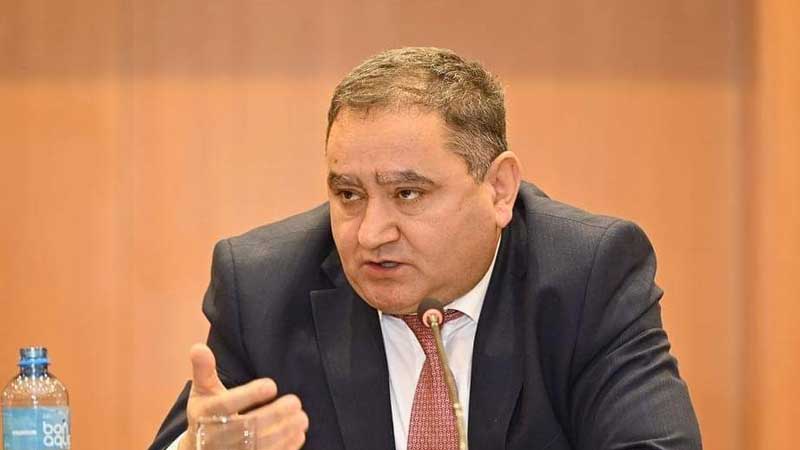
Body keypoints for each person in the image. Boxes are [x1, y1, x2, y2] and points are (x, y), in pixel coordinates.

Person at [149, 47, 702, 450]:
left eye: (408, 193)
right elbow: (204, 433)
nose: (371, 234)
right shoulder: (262, 288)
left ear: (499, 190)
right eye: (349, 195)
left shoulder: (587, 275)